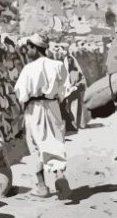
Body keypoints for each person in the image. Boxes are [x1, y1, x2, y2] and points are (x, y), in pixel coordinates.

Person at [14, 33, 75, 198]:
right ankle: (60, 177)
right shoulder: (58, 65)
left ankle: (41, 186)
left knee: (35, 145)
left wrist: (25, 106)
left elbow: (21, 93)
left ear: (35, 48)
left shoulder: (28, 69)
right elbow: (65, 89)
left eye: (29, 48)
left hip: (33, 108)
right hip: (53, 106)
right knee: (55, 141)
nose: (27, 51)